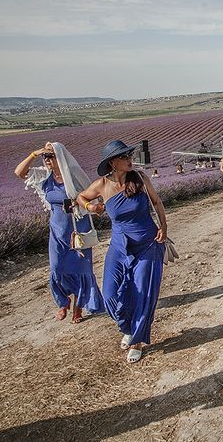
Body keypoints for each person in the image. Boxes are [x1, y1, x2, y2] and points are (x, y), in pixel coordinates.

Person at [77, 140, 168, 363]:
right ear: (112, 162)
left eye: (129, 155)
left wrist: (164, 227)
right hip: (119, 245)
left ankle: (136, 340)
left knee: (143, 292)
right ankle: (128, 327)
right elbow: (81, 197)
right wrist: (91, 207)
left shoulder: (140, 179)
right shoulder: (101, 185)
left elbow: (157, 202)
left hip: (147, 243)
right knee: (109, 293)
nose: (129, 159)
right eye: (124, 156)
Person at [14, 142, 104, 324]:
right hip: (57, 230)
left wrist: (83, 204)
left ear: (60, 157)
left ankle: (78, 307)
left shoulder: (74, 175)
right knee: (57, 268)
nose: (47, 160)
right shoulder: (44, 175)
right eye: (45, 156)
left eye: (51, 156)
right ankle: (63, 302)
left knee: (81, 269)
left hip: (77, 230)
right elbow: (19, 173)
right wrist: (34, 154)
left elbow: (92, 194)